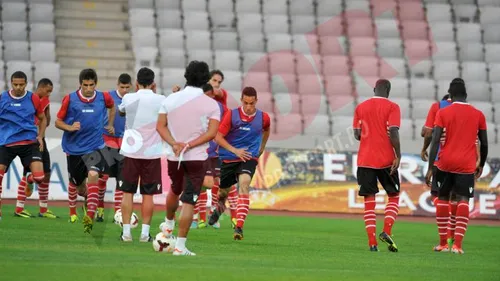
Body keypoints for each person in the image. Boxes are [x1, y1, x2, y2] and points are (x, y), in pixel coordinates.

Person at [157, 60, 221, 256]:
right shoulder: (211, 104)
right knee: (189, 201)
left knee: (175, 190)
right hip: (196, 157)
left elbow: (160, 126)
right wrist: (190, 145)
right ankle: (180, 247)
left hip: (174, 156)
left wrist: (175, 143)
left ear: (186, 76)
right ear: (205, 79)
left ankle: (168, 225)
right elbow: (212, 133)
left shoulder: (170, 99)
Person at [425, 79, 488, 254]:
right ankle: (457, 246)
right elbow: (484, 143)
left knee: (443, 199)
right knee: (463, 200)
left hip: (444, 163)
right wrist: (481, 163)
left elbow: (436, 140)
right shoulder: (478, 114)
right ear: (466, 96)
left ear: (451, 96)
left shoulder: (443, 112)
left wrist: (431, 167)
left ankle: (443, 243)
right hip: (466, 165)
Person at [55, 69, 115, 233]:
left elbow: (112, 107)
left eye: (91, 85)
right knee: (80, 188)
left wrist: (110, 124)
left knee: (94, 175)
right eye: (85, 85)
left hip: (95, 146)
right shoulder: (70, 99)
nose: (88, 88)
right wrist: (69, 127)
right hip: (74, 149)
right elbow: (57, 122)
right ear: (80, 84)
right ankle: (86, 199)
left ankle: (90, 216)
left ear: (96, 84)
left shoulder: (103, 97)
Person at [208, 86, 271, 240]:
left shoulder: (264, 118)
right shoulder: (232, 115)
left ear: (256, 101)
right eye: (246, 103)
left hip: (249, 157)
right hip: (229, 157)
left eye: (252, 103)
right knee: (223, 192)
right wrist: (235, 150)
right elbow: (218, 137)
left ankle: (239, 227)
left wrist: (262, 147)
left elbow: (266, 129)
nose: (249, 107)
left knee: (244, 184)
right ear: (242, 100)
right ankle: (220, 208)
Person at [352, 79, 401, 252]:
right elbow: (393, 131)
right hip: (386, 159)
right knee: (394, 195)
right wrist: (398, 155)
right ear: (388, 90)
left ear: (374, 89)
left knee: (369, 200)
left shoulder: (361, 107)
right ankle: (386, 231)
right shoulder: (393, 107)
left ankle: (372, 244)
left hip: (365, 160)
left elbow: (357, 135)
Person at [117, 68, 165, 242]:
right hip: (151, 153)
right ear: (153, 83)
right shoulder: (161, 99)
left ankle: (126, 233)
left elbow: (121, 111)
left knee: (127, 193)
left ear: (136, 83)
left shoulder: (128, 97)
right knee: (148, 195)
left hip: (131, 151)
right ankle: (145, 234)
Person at [0, 71, 48, 221]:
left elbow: (42, 118)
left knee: (40, 177)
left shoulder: (33, 98)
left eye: (21, 84)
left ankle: (29, 180)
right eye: (16, 84)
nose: (19, 87)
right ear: (11, 83)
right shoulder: (3, 98)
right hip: (6, 143)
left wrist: (40, 135)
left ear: (26, 84)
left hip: (28, 143)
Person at [14, 78, 58, 219]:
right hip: (30, 140)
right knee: (28, 173)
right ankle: (19, 208)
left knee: (46, 173)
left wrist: (48, 109)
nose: (49, 94)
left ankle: (43, 210)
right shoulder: (29, 100)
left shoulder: (43, 101)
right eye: (48, 91)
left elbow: (47, 121)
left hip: (40, 138)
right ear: (41, 87)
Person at [191, 83, 228, 229]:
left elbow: (227, 124)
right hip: (199, 151)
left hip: (214, 152)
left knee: (216, 184)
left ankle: (213, 213)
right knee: (200, 184)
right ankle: (196, 217)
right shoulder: (194, 107)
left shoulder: (220, 107)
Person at [96, 73, 132, 222]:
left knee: (120, 179)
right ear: (117, 85)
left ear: (131, 86)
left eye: (127, 87)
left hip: (123, 142)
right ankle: (100, 210)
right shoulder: (107, 96)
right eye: (122, 87)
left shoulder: (132, 99)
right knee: (103, 177)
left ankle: (118, 212)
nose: (124, 90)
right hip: (107, 140)